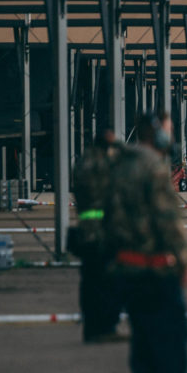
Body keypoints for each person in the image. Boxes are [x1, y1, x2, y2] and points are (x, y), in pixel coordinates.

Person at [104, 112, 187, 373]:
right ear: (158, 134)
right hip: (155, 266)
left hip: (126, 265)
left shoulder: (118, 165)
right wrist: (183, 259)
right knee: (171, 338)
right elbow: (167, 219)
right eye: (169, 131)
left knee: (143, 340)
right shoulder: (153, 168)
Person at [71, 130, 125, 343]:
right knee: (108, 279)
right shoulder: (104, 165)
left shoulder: (83, 163)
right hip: (104, 228)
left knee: (90, 280)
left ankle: (91, 326)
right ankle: (106, 326)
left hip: (86, 227)